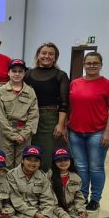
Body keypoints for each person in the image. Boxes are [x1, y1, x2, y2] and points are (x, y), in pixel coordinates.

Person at [67, 52, 109, 211]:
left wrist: (108, 132)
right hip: (75, 132)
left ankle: (95, 199)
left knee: (96, 167)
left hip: (97, 133)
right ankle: (82, 197)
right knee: (81, 166)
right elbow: (69, 106)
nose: (92, 66)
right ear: (84, 64)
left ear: (101, 65)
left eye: (95, 63)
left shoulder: (108, 85)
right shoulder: (74, 83)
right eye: (88, 63)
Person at [25, 42, 70, 171]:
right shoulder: (28, 74)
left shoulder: (60, 75)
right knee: (29, 152)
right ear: (38, 55)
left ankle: (46, 181)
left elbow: (64, 102)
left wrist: (60, 124)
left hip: (50, 119)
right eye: (44, 53)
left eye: (51, 54)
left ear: (55, 57)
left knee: (47, 153)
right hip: (29, 117)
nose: (47, 56)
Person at [0, 59, 39, 168]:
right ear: (8, 73)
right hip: (6, 133)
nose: (17, 74)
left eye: (20, 71)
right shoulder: (1, 91)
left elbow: (34, 116)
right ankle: (6, 180)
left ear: (24, 73)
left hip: (24, 132)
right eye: (14, 71)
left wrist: (24, 134)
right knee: (5, 163)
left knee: (22, 163)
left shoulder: (30, 91)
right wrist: (12, 135)